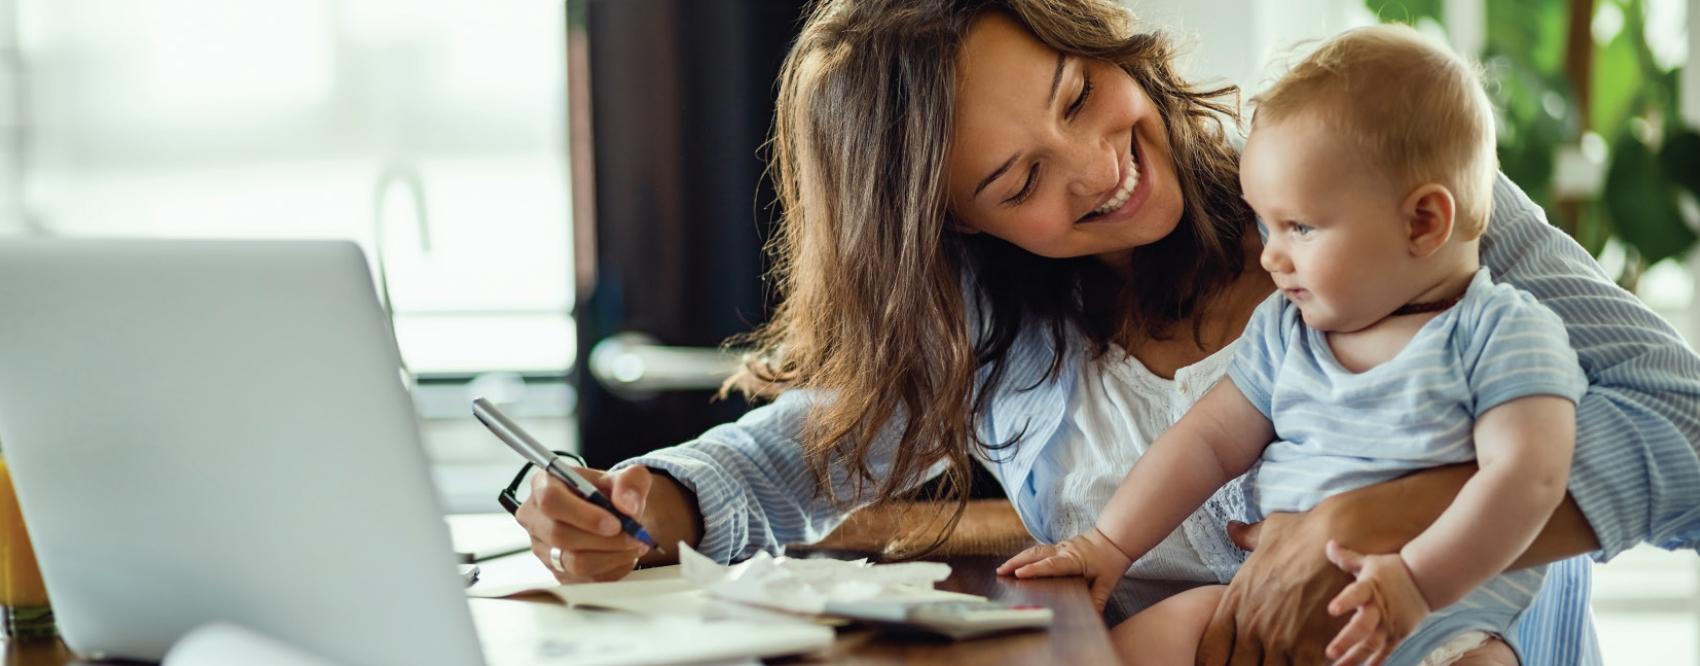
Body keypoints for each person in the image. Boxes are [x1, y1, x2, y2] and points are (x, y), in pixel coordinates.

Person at [511, 1, 1700, 662]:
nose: (1095, 169)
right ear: (954, 229)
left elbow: (1686, 433)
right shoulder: (996, 322)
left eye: (1079, 94)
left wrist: (1379, 512)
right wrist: (643, 501)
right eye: (1018, 178)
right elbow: (794, 449)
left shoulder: (1386, 195)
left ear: (1097, 38)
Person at [1000, 24, 1581, 665]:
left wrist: (1416, 582)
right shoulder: (1288, 330)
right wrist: (1108, 544)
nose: (1272, 256)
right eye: (1264, 223)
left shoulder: (1502, 335)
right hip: (1259, 608)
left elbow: (1530, 481)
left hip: (1440, 625)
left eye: (1299, 227)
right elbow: (1206, 441)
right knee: (1141, 645)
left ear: (1423, 222)